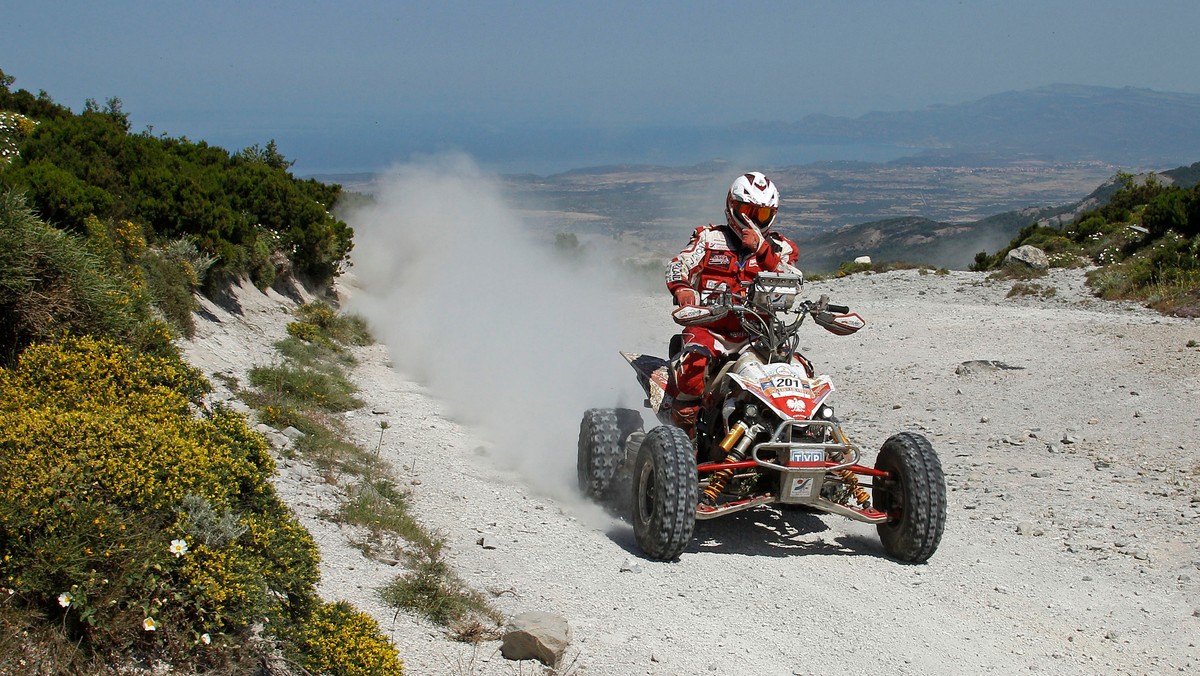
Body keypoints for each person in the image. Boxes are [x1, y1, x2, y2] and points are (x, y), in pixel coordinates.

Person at [664, 171, 801, 437]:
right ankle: (683, 444)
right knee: (692, 369)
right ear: (732, 207)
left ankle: (798, 435)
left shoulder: (781, 248)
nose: (752, 220)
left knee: (798, 370)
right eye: (747, 211)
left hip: (760, 334)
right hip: (710, 328)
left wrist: (762, 250)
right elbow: (678, 264)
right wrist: (682, 288)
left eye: (760, 215)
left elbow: (793, 278)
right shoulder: (708, 238)